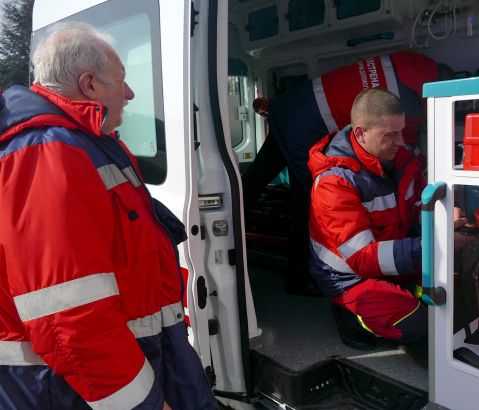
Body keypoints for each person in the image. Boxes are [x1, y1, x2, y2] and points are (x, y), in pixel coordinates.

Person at [0, 23, 215, 409]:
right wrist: (143, 404)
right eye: (122, 80)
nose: (130, 93)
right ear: (90, 85)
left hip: (133, 362)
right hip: (73, 392)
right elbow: (70, 317)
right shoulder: (48, 154)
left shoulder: (86, 142)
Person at [242, 51, 442, 296]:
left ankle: (229, 232)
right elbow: (404, 153)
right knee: (309, 206)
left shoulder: (407, 63)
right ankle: (298, 280)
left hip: (288, 107)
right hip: (303, 126)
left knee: (253, 183)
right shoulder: (409, 103)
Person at [307, 88, 468, 352]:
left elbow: (418, 205)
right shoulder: (334, 183)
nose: (400, 141)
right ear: (361, 133)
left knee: (455, 294)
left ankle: (405, 293)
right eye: (391, 134)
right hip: (349, 276)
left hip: (392, 254)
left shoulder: (402, 158)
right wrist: (436, 244)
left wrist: (445, 216)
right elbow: (362, 258)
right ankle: (349, 316)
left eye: (402, 131)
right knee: (416, 324)